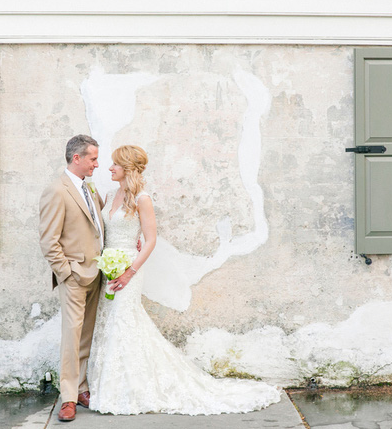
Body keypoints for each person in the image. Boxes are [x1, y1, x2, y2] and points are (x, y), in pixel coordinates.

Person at [87, 145, 283, 415]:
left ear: (128, 169)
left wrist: (129, 271)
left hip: (129, 269)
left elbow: (151, 240)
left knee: (124, 319)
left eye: (115, 165)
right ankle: (113, 386)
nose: (110, 168)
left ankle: (132, 389)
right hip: (109, 269)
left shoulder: (142, 199)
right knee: (111, 322)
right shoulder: (109, 195)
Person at [38, 135, 105, 422]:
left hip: (97, 274)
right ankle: (67, 398)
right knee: (71, 337)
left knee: (85, 336)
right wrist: (67, 274)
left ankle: (81, 388)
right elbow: (48, 241)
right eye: (92, 159)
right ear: (76, 158)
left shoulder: (89, 187)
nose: (97, 164)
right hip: (75, 276)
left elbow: (100, 222)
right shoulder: (57, 190)